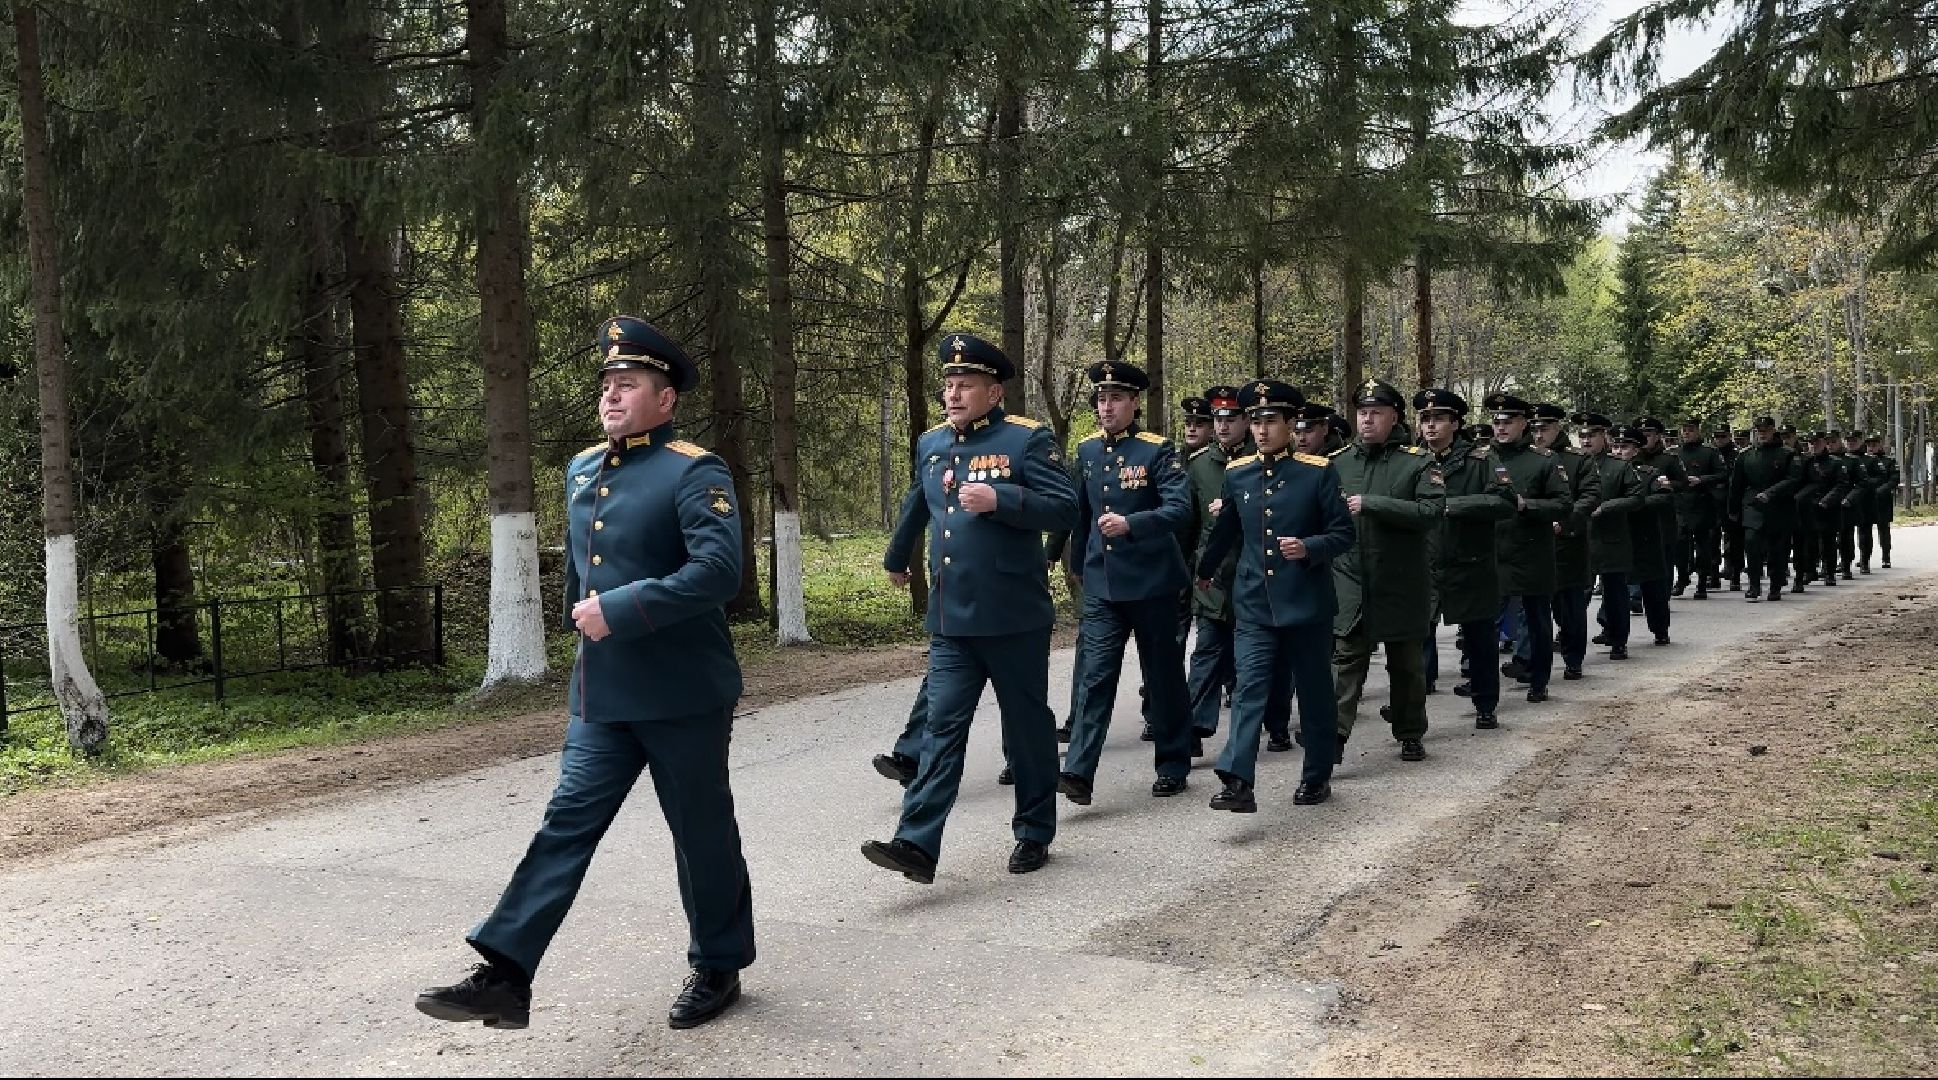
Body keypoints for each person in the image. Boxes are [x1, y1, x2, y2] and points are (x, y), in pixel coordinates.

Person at [416, 316, 754, 1032]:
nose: (610, 395)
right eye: (606, 384)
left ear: (665, 400)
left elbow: (720, 571)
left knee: (700, 831)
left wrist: (624, 610)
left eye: (627, 384)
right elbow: (580, 580)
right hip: (603, 694)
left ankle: (719, 964)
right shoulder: (580, 469)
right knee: (565, 824)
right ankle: (506, 971)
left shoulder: (695, 469)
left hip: (684, 692)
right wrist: (585, 626)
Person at [866, 332, 1078, 883]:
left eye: (966, 385)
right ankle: (916, 843)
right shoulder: (932, 443)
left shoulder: (1027, 441)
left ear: (994, 392)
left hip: (1013, 618)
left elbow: (1066, 509)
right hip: (951, 620)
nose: (954, 394)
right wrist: (897, 553)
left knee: (1028, 729)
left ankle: (1033, 830)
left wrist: (1002, 499)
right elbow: (920, 500)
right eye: (949, 385)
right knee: (940, 728)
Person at [1194, 380, 1356, 809]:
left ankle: (1317, 773)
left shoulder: (1316, 472)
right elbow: (1227, 528)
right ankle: (1237, 781)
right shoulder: (1237, 472)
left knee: (1315, 692)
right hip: (1254, 602)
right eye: (1256, 421)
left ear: (1290, 423)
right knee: (1249, 688)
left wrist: (1310, 548)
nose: (1262, 430)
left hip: (1306, 603)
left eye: (1271, 421)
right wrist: (1204, 572)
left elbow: (1343, 533)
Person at [1054, 361, 1197, 804]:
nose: (1107, 407)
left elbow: (1180, 509)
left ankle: (1173, 762)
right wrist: (1075, 562)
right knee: (1095, 677)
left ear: (1135, 403)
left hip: (1153, 584)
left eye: (1116, 398)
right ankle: (1078, 770)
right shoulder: (1088, 451)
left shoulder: (1158, 451)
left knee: (1163, 677)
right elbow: (1080, 512)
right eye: (1101, 399)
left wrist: (1133, 523)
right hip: (1102, 584)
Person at [1330, 380, 1443, 762]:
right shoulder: (1339, 462)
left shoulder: (1418, 462)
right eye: (1362, 412)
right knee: (1346, 663)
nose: (1367, 420)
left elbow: (1431, 513)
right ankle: (1334, 738)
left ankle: (1410, 732)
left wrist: (1374, 504)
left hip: (1400, 581)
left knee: (1407, 665)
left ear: (1394, 416)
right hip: (1351, 581)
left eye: (1376, 412)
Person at [1414, 389, 1516, 728]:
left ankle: (1485, 703)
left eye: (1438, 419)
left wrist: (1453, 507)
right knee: (1413, 638)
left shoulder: (1481, 461)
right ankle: (1412, 706)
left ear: (1456, 423)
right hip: (1423, 562)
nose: (1430, 426)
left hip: (1470, 562)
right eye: (1425, 419)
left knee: (1480, 639)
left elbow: (1504, 502)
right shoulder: (1412, 459)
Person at [1183, 385, 1254, 746]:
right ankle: (1195, 727)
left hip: (1254, 574)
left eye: (1231, 419)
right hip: (1211, 577)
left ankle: (1260, 726)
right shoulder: (1198, 466)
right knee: (1207, 651)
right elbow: (1188, 524)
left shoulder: (1264, 459)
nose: (1223, 426)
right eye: (1218, 419)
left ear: (1246, 420)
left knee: (1252, 658)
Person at [1533, 405, 1601, 681]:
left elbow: (1590, 496)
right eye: (1535, 428)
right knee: (1534, 609)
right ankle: (1531, 662)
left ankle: (1573, 658)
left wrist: (1564, 520)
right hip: (1533, 544)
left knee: (1570, 608)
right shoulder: (1527, 458)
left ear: (1558, 428)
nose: (1539, 434)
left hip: (1568, 542)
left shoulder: (1577, 460)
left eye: (1544, 428)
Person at [1578, 413, 1646, 660]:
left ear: (1604, 437)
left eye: (1592, 435)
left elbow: (1636, 498)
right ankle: (1569, 639)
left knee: (1616, 593)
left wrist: (1606, 507)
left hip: (1611, 540)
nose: (1586, 441)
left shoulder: (1619, 467)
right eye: (1583, 435)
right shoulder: (1571, 465)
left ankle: (1618, 640)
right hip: (1579, 539)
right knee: (1575, 595)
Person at [1726, 416, 1802, 603]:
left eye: (1766, 430)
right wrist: (1733, 508)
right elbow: (1736, 484)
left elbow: (1793, 479)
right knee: (1752, 545)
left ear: (1773, 431)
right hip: (1753, 507)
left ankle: (1775, 586)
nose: (1762, 434)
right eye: (1759, 431)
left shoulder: (1787, 454)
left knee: (1777, 549)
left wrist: (1771, 493)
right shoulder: (1746, 455)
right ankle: (1754, 585)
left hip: (1779, 507)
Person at [1614, 426, 1675, 639]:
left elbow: (1664, 497)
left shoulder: (1650, 474)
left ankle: (1660, 628)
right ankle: (1611, 629)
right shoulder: (1605, 473)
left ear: (1637, 449)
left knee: (1653, 587)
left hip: (1645, 536)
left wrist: (1636, 504)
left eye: (1625, 447)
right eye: (1615, 446)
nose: (1619, 451)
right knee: (1614, 586)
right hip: (1616, 537)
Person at [1673, 418, 1727, 599]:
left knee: (1703, 545)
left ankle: (1702, 581)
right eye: (1684, 429)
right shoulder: (1675, 453)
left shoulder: (1709, 452)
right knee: (1680, 544)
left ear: (1698, 431)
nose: (1686, 433)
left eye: (1690, 429)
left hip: (1702, 503)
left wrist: (1702, 480)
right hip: (1680, 504)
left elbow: (1722, 474)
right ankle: (1681, 578)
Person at [1866, 434, 1899, 568]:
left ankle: (1886, 556)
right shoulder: (1862, 461)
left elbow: (1894, 479)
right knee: (1865, 529)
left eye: (1874, 445)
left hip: (1882, 499)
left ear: (1880, 445)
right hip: (1866, 499)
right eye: (1869, 445)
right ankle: (1865, 557)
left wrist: (1880, 490)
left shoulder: (1889, 461)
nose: (1871, 448)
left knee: (1883, 529)